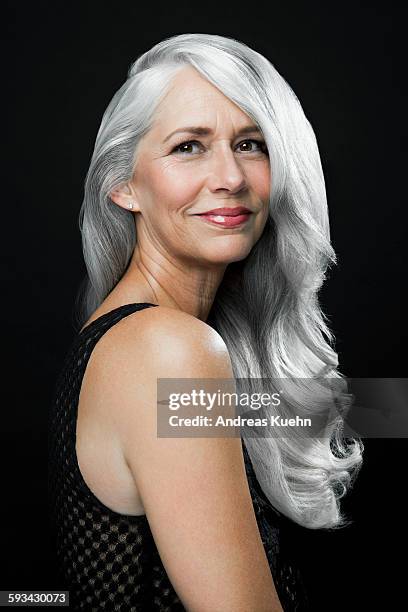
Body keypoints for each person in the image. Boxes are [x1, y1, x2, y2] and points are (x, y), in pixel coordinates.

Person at [48, 33, 364, 611]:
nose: (232, 178)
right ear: (124, 184)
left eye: (251, 143)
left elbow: (338, 408)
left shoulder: (153, 339)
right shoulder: (168, 348)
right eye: (189, 147)